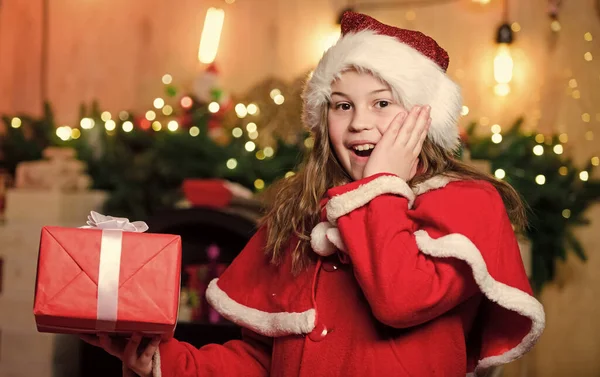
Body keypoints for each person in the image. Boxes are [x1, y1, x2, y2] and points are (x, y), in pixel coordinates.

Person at [82, 11, 545, 377]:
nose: (360, 121)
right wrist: (168, 362)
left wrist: (379, 185)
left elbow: (400, 299)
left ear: (424, 118)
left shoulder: (465, 204)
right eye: (342, 105)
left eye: (382, 102)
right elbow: (264, 360)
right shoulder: (304, 216)